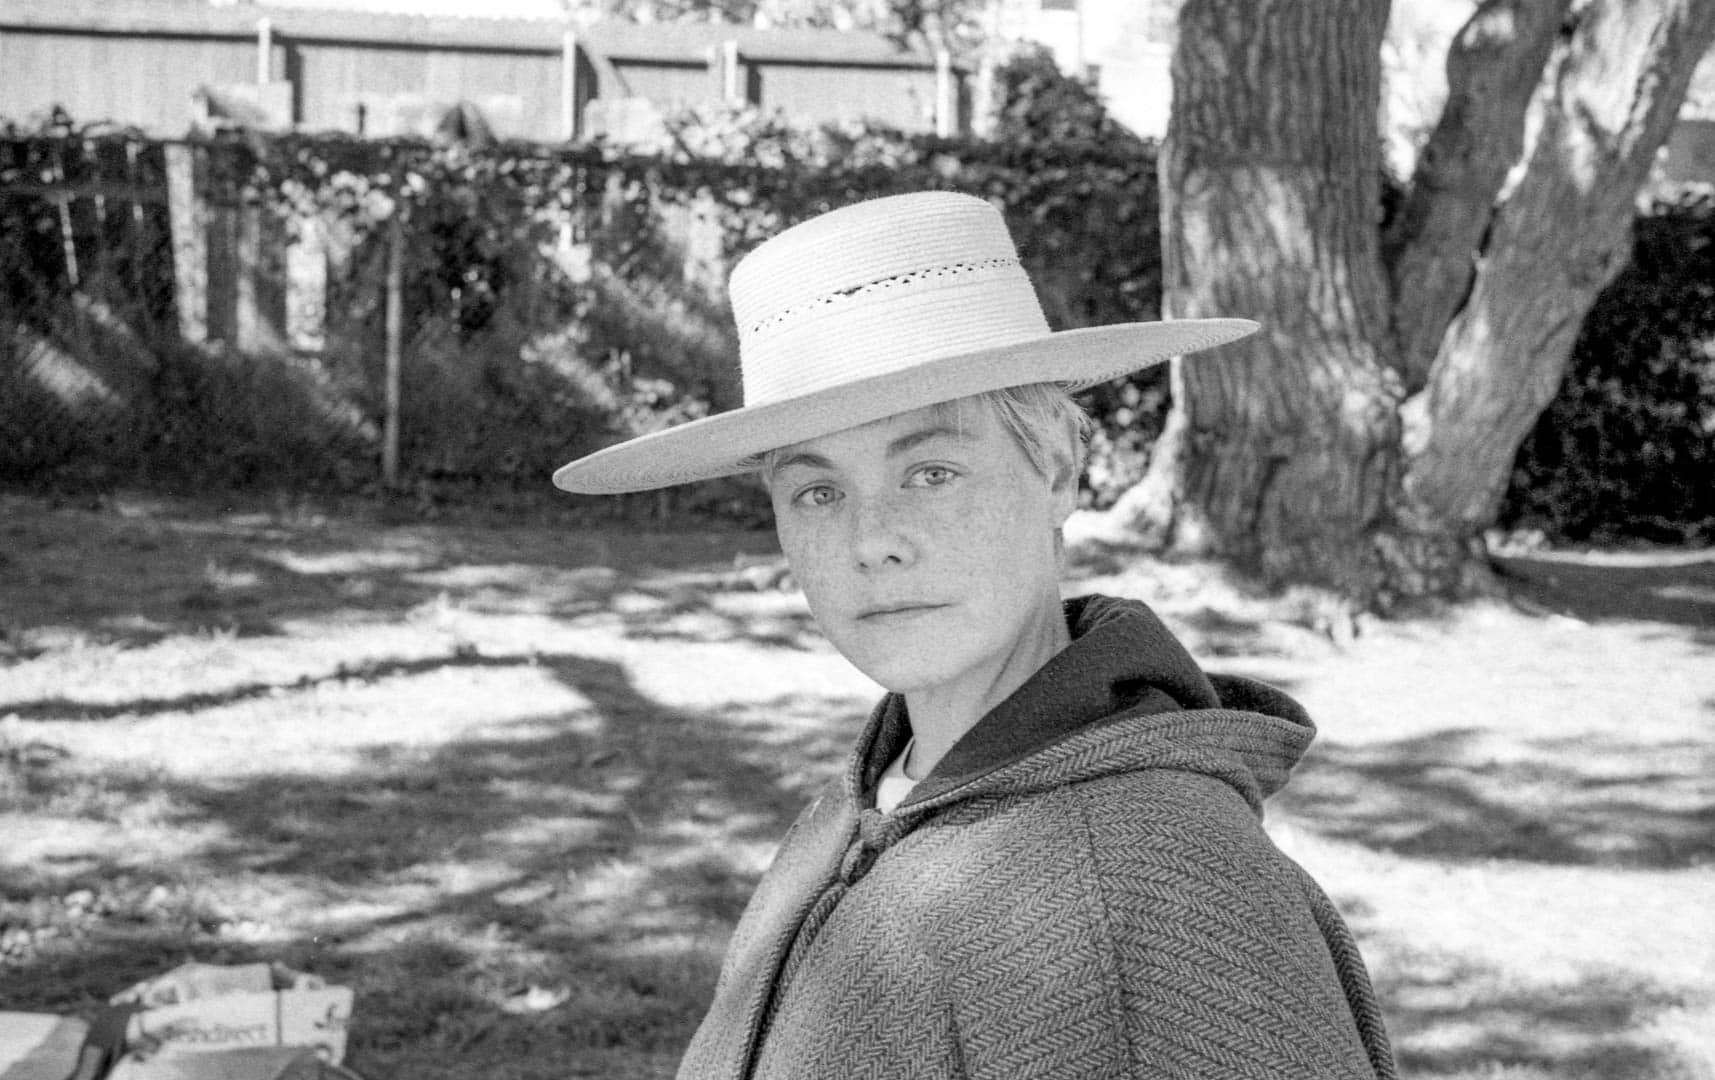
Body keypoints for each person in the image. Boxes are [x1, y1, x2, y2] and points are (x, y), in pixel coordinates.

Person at [554, 192, 1396, 1079]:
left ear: (1059, 473)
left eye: (930, 470)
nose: (870, 538)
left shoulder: (1153, 888)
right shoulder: (863, 801)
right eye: (816, 491)